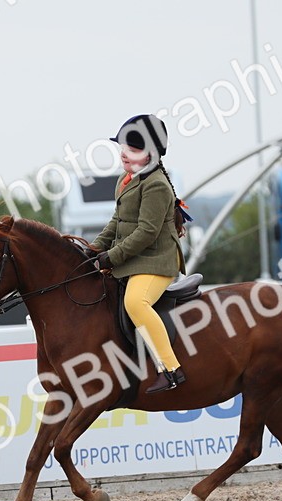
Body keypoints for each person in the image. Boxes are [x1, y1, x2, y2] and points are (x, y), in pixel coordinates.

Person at [91, 114, 189, 393]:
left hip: (156, 261)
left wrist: (112, 257)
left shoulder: (156, 185)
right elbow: (117, 221)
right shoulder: (125, 179)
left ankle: (171, 369)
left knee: (136, 302)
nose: (124, 154)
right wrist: (95, 247)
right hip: (135, 258)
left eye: (132, 150)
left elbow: (146, 232)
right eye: (122, 148)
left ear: (150, 154)